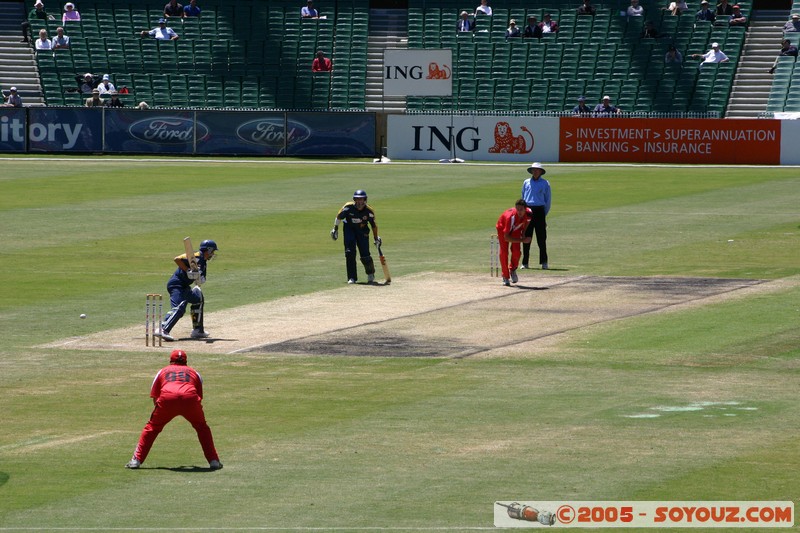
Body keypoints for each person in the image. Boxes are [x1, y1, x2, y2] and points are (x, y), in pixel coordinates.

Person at [125, 349, 222, 471]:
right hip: (189, 399)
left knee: (151, 428)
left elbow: (155, 397)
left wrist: (160, 415)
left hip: (167, 398)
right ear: (186, 361)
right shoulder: (194, 372)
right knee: (202, 428)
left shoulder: (162, 371)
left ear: (171, 361)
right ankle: (214, 461)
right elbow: (198, 397)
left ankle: (136, 460)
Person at [156, 239, 219, 341]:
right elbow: (177, 259)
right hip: (176, 285)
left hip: (185, 287)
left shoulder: (203, 262)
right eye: (213, 251)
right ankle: (162, 329)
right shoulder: (195, 255)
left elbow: (200, 280)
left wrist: (199, 278)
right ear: (208, 250)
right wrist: (187, 270)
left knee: (198, 298)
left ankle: (198, 331)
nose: (213, 254)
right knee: (179, 308)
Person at [330, 190, 380, 285]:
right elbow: (338, 217)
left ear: (365, 200)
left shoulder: (369, 211)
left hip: (362, 231)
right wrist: (335, 229)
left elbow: (374, 225)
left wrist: (376, 238)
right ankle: (352, 277)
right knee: (349, 253)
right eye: (357, 199)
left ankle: (370, 274)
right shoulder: (348, 207)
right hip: (349, 229)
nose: (359, 202)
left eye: (361, 199)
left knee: (365, 255)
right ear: (354, 200)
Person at [520, 162, 551, 270]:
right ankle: (525, 262)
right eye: (534, 169)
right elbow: (523, 197)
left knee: (541, 238)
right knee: (526, 236)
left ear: (541, 172)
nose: (535, 171)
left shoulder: (545, 183)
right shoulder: (526, 182)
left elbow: (547, 201)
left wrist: (544, 215)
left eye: (537, 170)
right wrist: (522, 212)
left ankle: (544, 262)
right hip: (528, 210)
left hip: (539, 210)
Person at [496, 199, 532, 286]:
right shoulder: (510, 217)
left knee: (516, 251)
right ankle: (505, 276)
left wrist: (523, 233)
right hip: (502, 228)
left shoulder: (529, 212)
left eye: (521, 209)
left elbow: (527, 222)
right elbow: (507, 237)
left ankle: (512, 269)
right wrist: (523, 240)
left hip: (517, 227)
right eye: (517, 209)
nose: (519, 211)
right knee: (504, 252)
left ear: (525, 209)